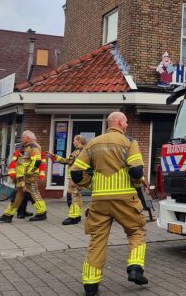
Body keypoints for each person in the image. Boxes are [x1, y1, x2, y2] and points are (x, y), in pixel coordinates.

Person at [70, 112, 148, 296]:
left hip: (99, 200)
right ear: (120, 122)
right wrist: (138, 183)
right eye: (126, 122)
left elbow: (76, 173)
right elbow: (136, 171)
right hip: (125, 198)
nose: (127, 125)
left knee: (97, 240)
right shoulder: (129, 142)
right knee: (136, 231)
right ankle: (135, 268)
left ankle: (90, 284)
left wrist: (91, 184)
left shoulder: (92, 143)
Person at [0, 131, 47, 223]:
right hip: (22, 178)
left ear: (28, 138)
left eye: (23, 137)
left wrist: (28, 173)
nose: (21, 138)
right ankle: (8, 215)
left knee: (34, 194)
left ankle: (42, 213)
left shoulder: (33, 147)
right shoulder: (25, 147)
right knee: (18, 196)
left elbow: (37, 162)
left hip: (28, 178)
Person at [50, 134, 87, 225]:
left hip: (75, 178)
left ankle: (73, 217)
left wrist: (74, 179)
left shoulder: (78, 152)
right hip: (78, 177)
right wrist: (55, 156)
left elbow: (69, 162)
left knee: (73, 196)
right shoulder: (83, 151)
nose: (73, 142)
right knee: (77, 196)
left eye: (74, 140)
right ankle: (77, 215)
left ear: (79, 141)